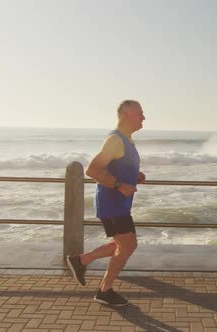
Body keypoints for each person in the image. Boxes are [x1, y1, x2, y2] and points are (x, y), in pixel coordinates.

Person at [66, 100, 146, 306]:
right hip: (111, 205)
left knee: (124, 245)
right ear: (126, 114)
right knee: (127, 246)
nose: (143, 118)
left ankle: (81, 260)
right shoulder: (115, 140)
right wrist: (120, 184)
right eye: (140, 114)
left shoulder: (126, 140)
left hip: (119, 204)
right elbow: (93, 170)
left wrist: (133, 176)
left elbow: (115, 166)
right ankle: (104, 290)